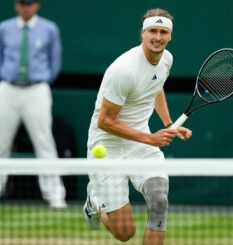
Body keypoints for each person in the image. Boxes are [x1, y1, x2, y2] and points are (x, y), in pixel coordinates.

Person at [83, 8, 192, 245]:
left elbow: (156, 89)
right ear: (142, 33)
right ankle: (95, 200)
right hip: (107, 145)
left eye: (163, 32)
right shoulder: (123, 70)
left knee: (159, 202)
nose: (158, 37)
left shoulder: (166, 59)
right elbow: (105, 121)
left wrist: (169, 125)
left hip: (141, 143)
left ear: (170, 36)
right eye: (153, 30)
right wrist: (152, 139)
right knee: (125, 233)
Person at [0, 0, 67, 208]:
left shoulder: (49, 29)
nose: (25, 7)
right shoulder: (4, 28)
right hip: (8, 89)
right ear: (16, 5)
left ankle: (55, 198)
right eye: (21, 3)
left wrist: (43, 79)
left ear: (36, 5)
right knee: (0, 143)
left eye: (29, 3)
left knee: (44, 143)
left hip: (37, 89)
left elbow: (55, 62)